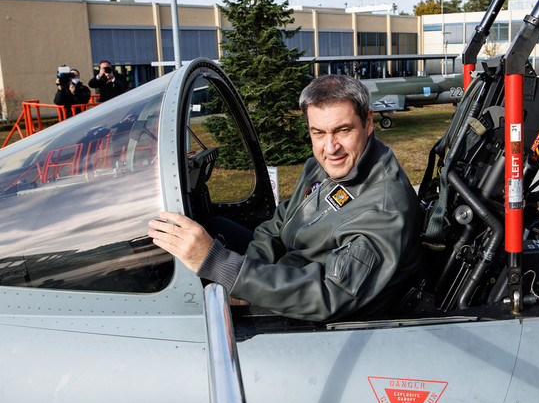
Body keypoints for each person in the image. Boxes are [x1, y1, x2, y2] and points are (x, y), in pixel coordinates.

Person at [148, 74, 421, 321]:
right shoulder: (323, 165)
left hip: (318, 314)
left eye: (343, 130)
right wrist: (250, 277)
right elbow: (280, 222)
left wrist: (226, 269)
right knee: (215, 224)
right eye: (319, 133)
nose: (331, 147)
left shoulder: (384, 208)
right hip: (286, 275)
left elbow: (330, 294)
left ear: (368, 123)